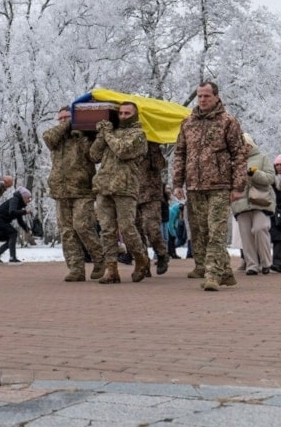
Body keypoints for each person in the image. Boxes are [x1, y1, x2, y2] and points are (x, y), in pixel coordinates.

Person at [172, 82, 248, 291]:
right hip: (195, 186)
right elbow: (180, 153)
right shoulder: (188, 123)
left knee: (216, 231)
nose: (203, 100)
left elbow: (239, 155)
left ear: (216, 97)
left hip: (220, 185)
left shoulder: (228, 122)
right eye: (200, 96)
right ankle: (226, 272)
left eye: (207, 96)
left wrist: (238, 185)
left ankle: (212, 275)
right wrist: (177, 183)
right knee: (201, 231)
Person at [42, 106, 105, 281]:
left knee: (82, 225)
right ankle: (76, 268)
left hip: (82, 189)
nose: (63, 121)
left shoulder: (83, 135)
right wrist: (67, 124)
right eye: (60, 118)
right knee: (66, 231)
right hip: (60, 190)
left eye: (67, 118)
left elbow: (94, 156)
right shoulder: (56, 137)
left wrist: (82, 134)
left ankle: (100, 259)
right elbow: (48, 138)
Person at [89, 102, 149, 283]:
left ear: (135, 115)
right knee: (106, 230)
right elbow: (93, 155)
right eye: (121, 113)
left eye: (127, 113)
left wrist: (107, 133)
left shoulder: (138, 135)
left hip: (125, 187)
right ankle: (111, 269)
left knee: (127, 228)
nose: (123, 116)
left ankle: (140, 259)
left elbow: (123, 151)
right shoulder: (110, 133)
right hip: (104, 186)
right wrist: (101, 135)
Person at [230, 134, 275, 275]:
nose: (243, 148)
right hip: (241, 202)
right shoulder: (234, 161)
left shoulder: (262, 158)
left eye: (245, 145)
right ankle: (251, 265)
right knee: (245, 234)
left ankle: (266, 262)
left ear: (250, 145)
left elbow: (270, 178)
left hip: (260, 200)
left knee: (260, 228)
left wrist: (255, 173)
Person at [135, 141, 171, 276]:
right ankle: (144, 263)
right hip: (131, 193)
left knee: (151, 228)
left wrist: (154, 147)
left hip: (151, 193)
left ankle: (162, 253)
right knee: (136, 232)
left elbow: (160, 164)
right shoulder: (125, 143)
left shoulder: (151, 145)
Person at [0, 187, 33, 263]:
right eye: (28, 198)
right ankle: (12, 258)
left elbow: (20, 220)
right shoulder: (14, 200)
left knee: (11, 238)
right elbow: (12, 212)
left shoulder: (19, 204)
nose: (29, 200)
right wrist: (25, 212)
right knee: (13, 233)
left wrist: (27, 229)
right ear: (23, 196)